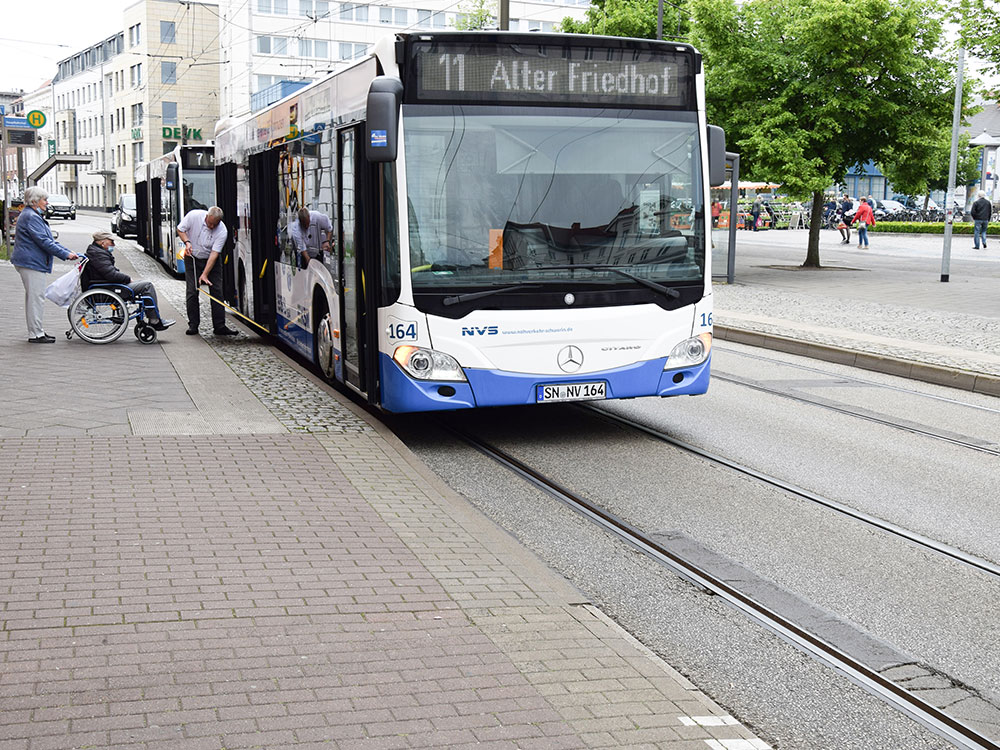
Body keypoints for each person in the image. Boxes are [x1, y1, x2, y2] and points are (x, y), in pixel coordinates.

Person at [10, 186, 79, 343]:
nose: (47, 203)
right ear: (34, 201)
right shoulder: (31, 217)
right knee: (36, 298)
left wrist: (67, 250)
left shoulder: (31, 215)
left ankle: (36, 332)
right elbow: (43, 241)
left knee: (33, 298)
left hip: (30, 262)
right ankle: (36, 334)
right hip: (31, 263)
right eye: (44, 200)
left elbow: (49, 240)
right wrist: (65, 254)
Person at [81, 231, 175, 331]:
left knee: (142, 284)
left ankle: (153, 318)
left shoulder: (96, 252)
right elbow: (111, 275)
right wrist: (127, 278)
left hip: (106, 286)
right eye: (111, 241)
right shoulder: (99, 255)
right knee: (147, 286)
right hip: (108, 288)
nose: (113, 244)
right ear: (102, 242)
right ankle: (155, 320)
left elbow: (108, 272)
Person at [176, 206, 236, 336]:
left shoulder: (222, 231)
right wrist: (187, 242)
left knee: (217, 292)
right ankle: (193, 325)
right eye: (210, 223)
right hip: (192, 258)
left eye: (215, 224)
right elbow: (180, 229)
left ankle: (219, 326)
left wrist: (205, 274)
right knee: (192, 291)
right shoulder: (194, 216)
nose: (211, 227)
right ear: (206, 217)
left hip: (211, 260)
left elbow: (214, 254)